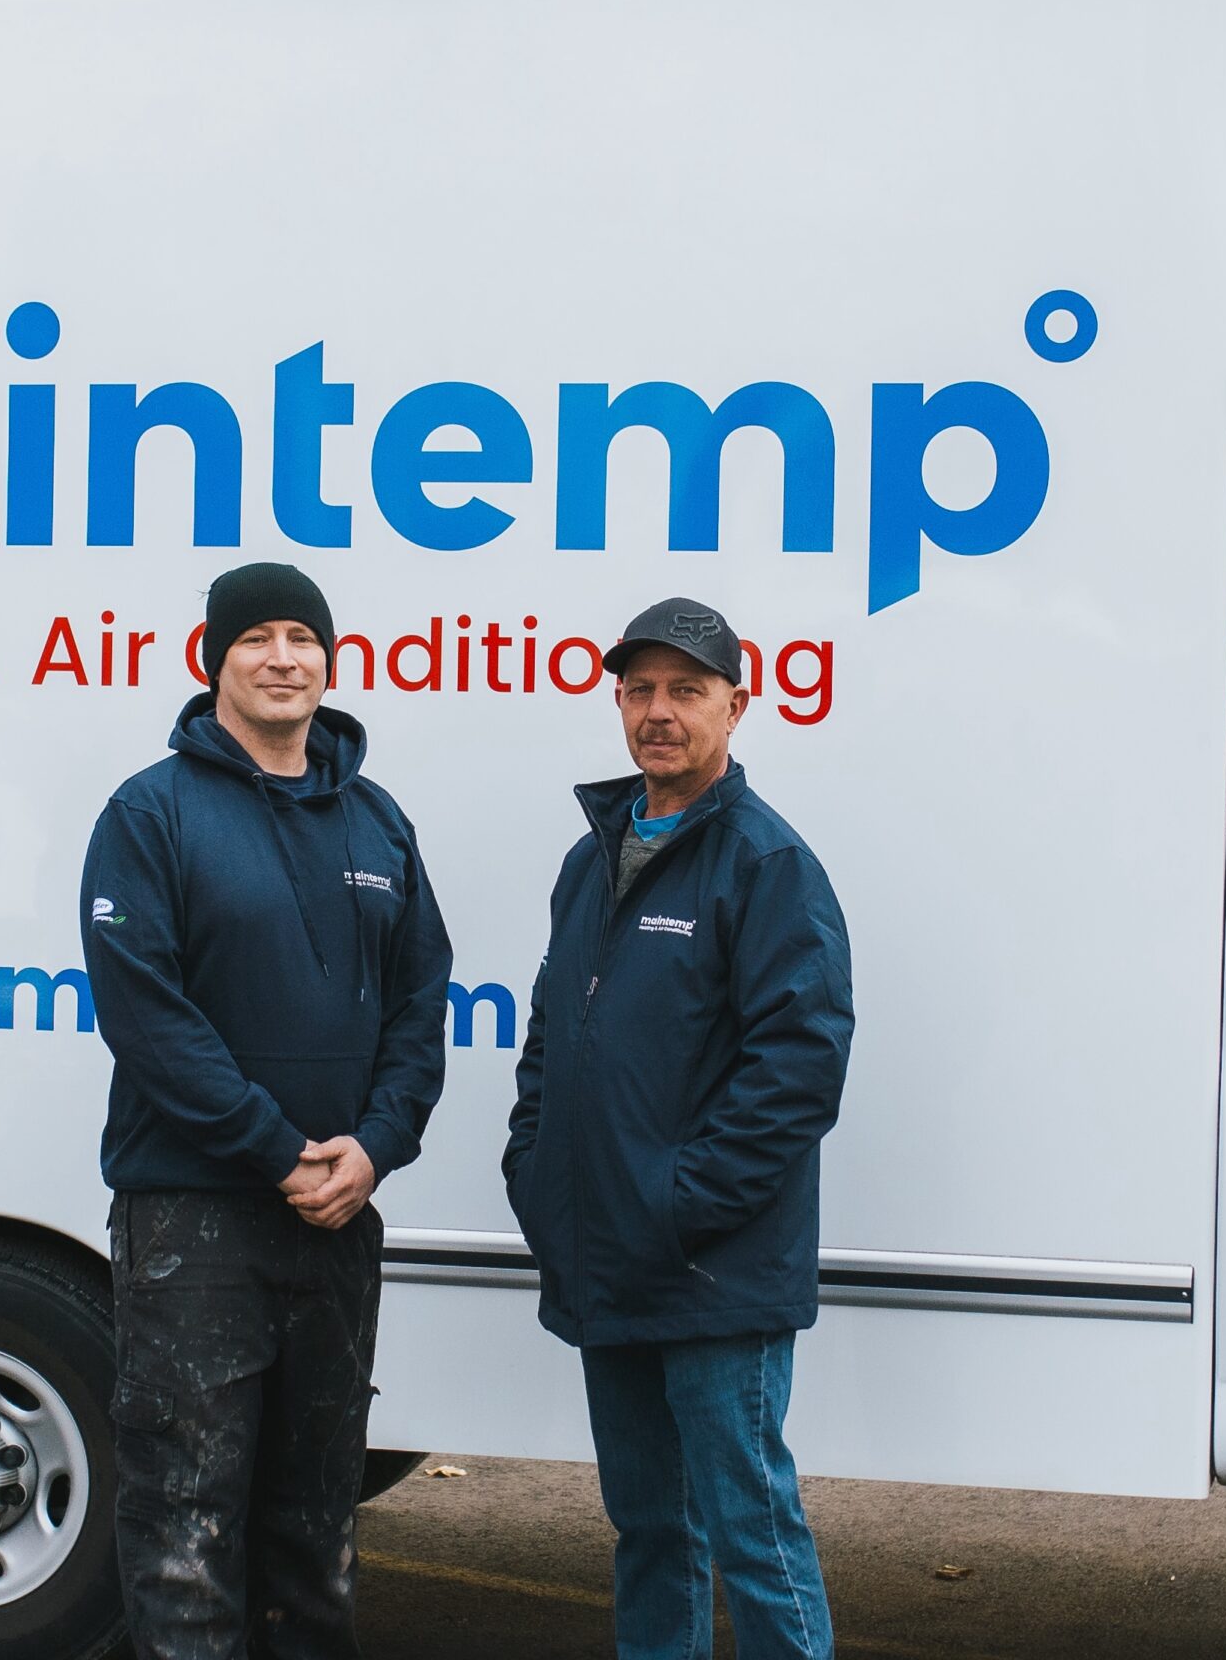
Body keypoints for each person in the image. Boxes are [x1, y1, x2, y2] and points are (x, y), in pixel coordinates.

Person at [80, 561, 451, 1660]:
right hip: (193, 1221)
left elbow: (421, 1001)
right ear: (216, 661)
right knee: (186, 1530)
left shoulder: (377, 822)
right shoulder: (150, 813)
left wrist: (376, 1148)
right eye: (256, 639)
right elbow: (148, 1019)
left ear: (329, 663)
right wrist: (275, 1150)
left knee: (316, 1528)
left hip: (337, 1220)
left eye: (302, 637)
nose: (282, 656)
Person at [503, 595, 854, 1660]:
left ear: (736, 707)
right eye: (641, 690)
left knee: (751, 1530)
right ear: (618, 702)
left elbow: (799, 1067)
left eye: (686, 691)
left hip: (711, 1274)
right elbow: (551, 1032)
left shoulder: (764, 864)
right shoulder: (591, 859)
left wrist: (677, 1203)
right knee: (650, 1532)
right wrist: (535, 1168)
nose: (660, 712)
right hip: (607, 1260)